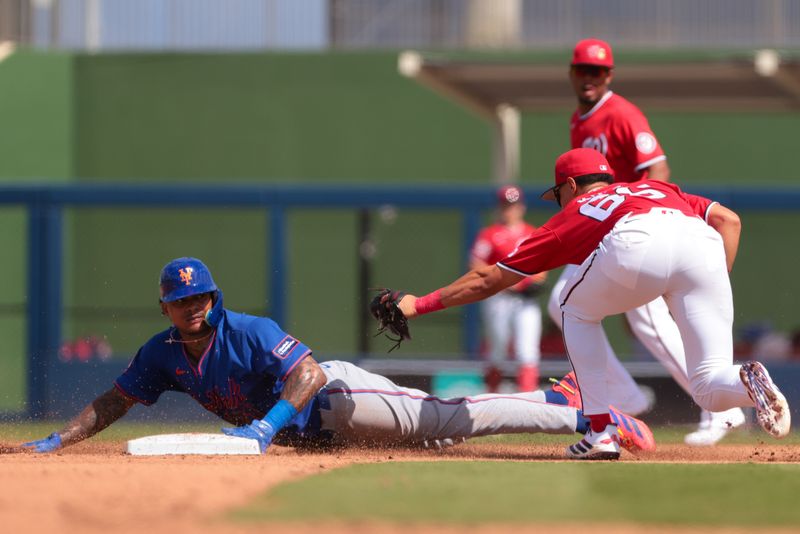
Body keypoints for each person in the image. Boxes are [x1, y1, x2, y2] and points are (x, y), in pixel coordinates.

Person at [377, 148, 790, 460]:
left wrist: (420, 304)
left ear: (570, 187)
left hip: (637, 241)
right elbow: (728, 221)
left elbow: (489, 278)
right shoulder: (656, 186)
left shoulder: (576, 210)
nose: (558, 200)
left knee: (570, 308)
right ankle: (748, 380)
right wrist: (711, 285)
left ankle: (600, 434)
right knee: (709, 389)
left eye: (557, 192)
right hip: (702, 249)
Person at [21, 257, 654, 455]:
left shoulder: (246, 328)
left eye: (200, 297)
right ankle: (555, 401)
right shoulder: (160, 354)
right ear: (165, 309)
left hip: (337, 400)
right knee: (437, 442)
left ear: (214, 298)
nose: (192, 308)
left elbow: (309, 371)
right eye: (180, 301)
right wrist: (57, 440)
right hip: (318, 436)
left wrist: (267, 427)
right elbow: (115, 399)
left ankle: (580, 411)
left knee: (452, 421)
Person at [550, 37, 745, 445]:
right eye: (582, 69)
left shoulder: (621, 113)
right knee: (562, 302)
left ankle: (720, 408)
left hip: (636, 228)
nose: (589, 78)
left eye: (597, 71)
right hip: (605, 225)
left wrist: (640, 215)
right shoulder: (578, 120)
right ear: (571, 72)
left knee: (647, 319)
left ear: (609, 76)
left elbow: (657, 168)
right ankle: (625, 393)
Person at [470, 185, 546, 392]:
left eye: (514, 205)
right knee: (497, 351)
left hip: (525, 300)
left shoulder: (532, 232)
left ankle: (528, 403)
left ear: (521, 207)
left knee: (528, 351)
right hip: (499, 298)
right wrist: (505, 282)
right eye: (506, 206)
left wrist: (533, 282)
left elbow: (542, 266)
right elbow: (476, 265)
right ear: (499, 208)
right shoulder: (489, 234)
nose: (510, 210)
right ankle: (492, 397)